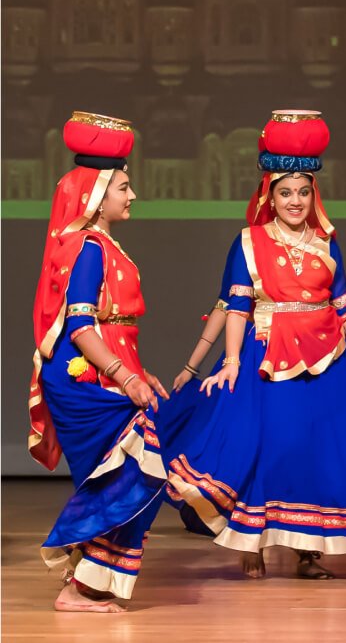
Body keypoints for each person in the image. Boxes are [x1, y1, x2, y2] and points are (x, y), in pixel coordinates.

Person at [165, 110, 346, 579]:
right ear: (270, 195)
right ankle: (251, 540)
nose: (295, 201)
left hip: (326, 359)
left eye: (303, 192)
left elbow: (345, 308)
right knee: (267, 448)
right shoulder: (249, 242)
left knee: (313, 451)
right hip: (267, 358)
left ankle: (308, 551)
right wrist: (231, 361)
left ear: (312, 194)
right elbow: (237, 307)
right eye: (286, 193)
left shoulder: (327, 243)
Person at [31, 112, 171, 612]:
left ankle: (83, 579)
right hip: (82, 378)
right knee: (129, 473)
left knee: (123, 475)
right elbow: (81, 326)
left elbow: (112, 325)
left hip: (102, 370)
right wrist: (126, 376)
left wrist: (138, 371)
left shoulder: (103, 244)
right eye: (124, 188)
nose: (132, 196)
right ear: (95, 195)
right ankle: (78, 588)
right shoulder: (89, 248)